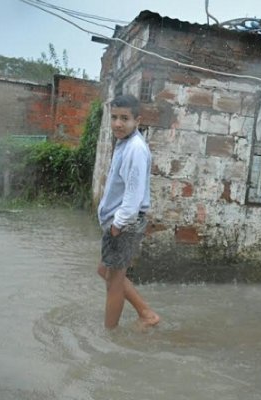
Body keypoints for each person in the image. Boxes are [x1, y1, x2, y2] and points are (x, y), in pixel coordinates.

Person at [96, 94, 160, 330]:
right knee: (105, 270)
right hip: (118, 221)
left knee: (114, 281)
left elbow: (133, 194)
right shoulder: (124, 143)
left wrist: (117, 224)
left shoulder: (135, 148)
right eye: (114, 117)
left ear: (138, 120)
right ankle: (145, 312)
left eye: (125, 118)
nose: (118, 124)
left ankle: (109, 336)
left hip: (124, 223)